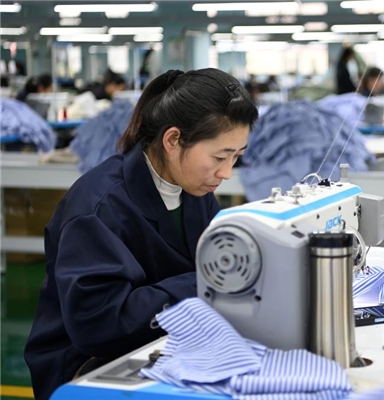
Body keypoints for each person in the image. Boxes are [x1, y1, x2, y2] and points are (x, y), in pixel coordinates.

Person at [24, 68, 258, 400]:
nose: (226, 172)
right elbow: (100, 323)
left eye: (237, 157)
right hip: (88, 362)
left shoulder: (196, 190)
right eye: (220, 156)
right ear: (173, 140)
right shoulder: (97, 209)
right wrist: (208, 284)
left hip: (159, 339)